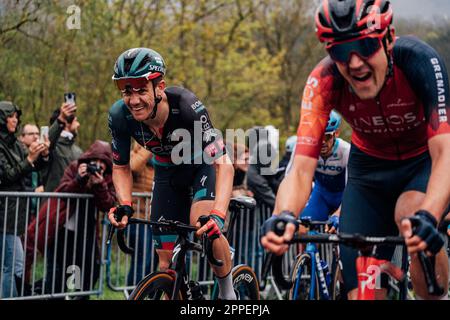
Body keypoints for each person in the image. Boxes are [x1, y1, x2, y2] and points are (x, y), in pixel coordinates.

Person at [261, 0, 450, 300]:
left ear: (388, 38)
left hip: (421, 164)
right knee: (362, 293)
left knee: (410, 213)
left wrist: (430, 215)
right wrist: (284, 214)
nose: (355, 63)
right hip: (369, 173)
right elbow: (300, 168)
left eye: (365, 46)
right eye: (338, 51)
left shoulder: (419, 61)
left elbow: (445, 152)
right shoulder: (323, 81)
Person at [107, 48, 237, 299]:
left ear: (160, 87)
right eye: (127, 91)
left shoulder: (186, 106)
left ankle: (228, 294)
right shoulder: (119, 116)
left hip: (202, 166)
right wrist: (124, 204)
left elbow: (224, 164)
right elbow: (121, 166)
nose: (134, 100)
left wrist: (219, 215)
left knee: (204, 226)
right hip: (167, 173)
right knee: (165, 264)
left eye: (141, 90)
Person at [25, 140, 116, 298]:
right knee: (58, 272)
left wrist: (99, 185)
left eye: (103, 162)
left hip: (86, 231)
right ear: (88, 158)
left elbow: (108, 204)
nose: (98, 165)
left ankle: (78, 296)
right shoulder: (75, 167)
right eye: (95, 161)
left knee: (89, 269)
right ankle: (47, 293)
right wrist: (79, 179)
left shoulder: (108, 178)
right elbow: (63, 190)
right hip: (62, 227)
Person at [0, 101, 49, 298]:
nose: (15, 119)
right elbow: (7, 176)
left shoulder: (15, 144)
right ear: (2, 119)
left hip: (16, 214)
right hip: (4, 215)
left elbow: (32, 167)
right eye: (11, 116)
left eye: (16, 116)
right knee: (13, 266)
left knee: (11, 266)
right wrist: (29, 159)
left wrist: (42, 156)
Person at [294, 111, 350, 233]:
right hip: (321, 196)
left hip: (344, 197)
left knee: (343, 233)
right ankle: (309, 252)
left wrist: (339, 214)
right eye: (319, 136)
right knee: (303, 230)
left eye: (327, 136)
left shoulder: (345, 151)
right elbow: (295, 181)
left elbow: (351, 188)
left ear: (336, 133)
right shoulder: (307, 149)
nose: (323, 142)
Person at [126, 142, 155, 286]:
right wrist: (147, 149)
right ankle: (133, 292)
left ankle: (144, 291)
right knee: (141, 258)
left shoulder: (153, 165)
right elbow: (133, 168)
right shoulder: (134, 156)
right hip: (136, 218)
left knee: (149, 260)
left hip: (150, 219)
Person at [41, 102, 82, 192]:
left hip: (73, 203)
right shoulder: (52, 146)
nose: (78, 125)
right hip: (52, 203)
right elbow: (47, 144)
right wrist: (61, 119)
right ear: (67, 123)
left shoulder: (78, 151)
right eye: (76, 121)